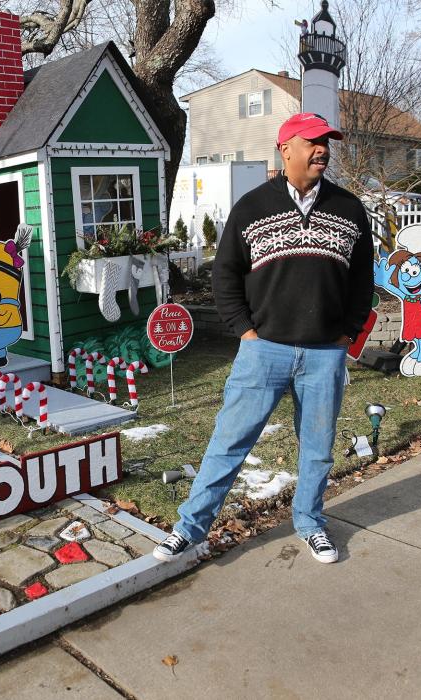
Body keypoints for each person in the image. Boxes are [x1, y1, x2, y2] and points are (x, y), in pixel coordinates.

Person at [154, 113, 375, 564]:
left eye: (326, 143)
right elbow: (224, 275)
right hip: (264, 352)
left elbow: (361, 282)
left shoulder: (350, 209)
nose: (323, 151)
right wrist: (247, 333)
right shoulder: (252, 207)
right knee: (228, 442)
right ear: (285, 148)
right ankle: (190, 528)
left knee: (317, 450)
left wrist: (345, 337)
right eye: (312, 142)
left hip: (324, 356)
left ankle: (310, 523)